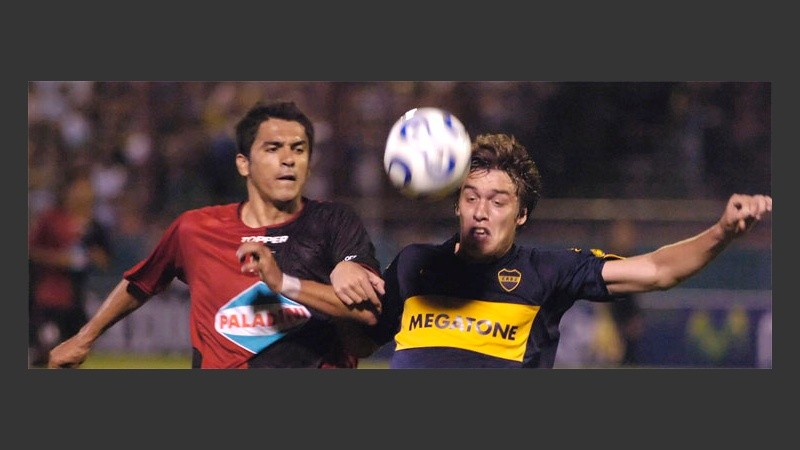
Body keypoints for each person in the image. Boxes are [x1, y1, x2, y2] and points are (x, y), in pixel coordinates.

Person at [364, 133, 772, 369]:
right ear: (457, 204)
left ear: (522, 214)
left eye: (498, 201)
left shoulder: (547, 270)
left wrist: (722, 232)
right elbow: (360, 338)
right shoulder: (414, 264)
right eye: (471, 198)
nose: (481, 212)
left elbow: (656, 270)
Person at [48, 100, 385, 369]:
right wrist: (84, 338)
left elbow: (367, 318)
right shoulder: (195, 229)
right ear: (243, 164)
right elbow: (142, 282)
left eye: (299, 149)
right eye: (273, 149)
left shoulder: (334, 222)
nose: (288, 160)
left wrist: (285, 283)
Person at [29, 167, 112, 367]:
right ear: (68, 191)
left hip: (80, 299)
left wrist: (93, 256)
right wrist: (60, 260)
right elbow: (31, 251)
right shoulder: (51, 219)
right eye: (79, 189)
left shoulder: (95, 225)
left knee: (75, 355)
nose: (84, 194)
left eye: (87, 189)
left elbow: (106, 261)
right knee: (47, 349)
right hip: (50, 297)